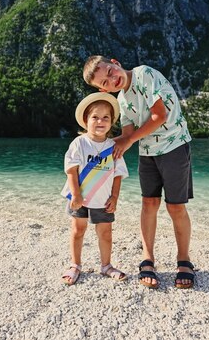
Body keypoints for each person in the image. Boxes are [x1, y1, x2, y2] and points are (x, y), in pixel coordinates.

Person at [83, 55, 195, 289]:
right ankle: (148, 260)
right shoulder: (123, 99)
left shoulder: (144, 73)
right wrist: (94, 144)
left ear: (116, 62)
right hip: (147, 152)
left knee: (175, 206)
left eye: (110, 72)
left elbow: (159, 116)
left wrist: (129, 141)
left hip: (174, 145)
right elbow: (126, 135)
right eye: (104, 83)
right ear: (102, 90)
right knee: (149, 203)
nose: (111, 80)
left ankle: (184, 261)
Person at [61, 92, 129, 286]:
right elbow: (71, 171)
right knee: (77, 230)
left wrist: (115, 197)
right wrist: (75, 194)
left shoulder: (113, 147)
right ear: (86, 120)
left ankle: (106, 266)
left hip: (103, 199)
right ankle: (75, 265)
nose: (100, 121)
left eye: (105, 117)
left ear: (111, 122)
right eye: (95, 117)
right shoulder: (79, 143)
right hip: (79, 197)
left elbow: (118, 174)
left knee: (106, 233)